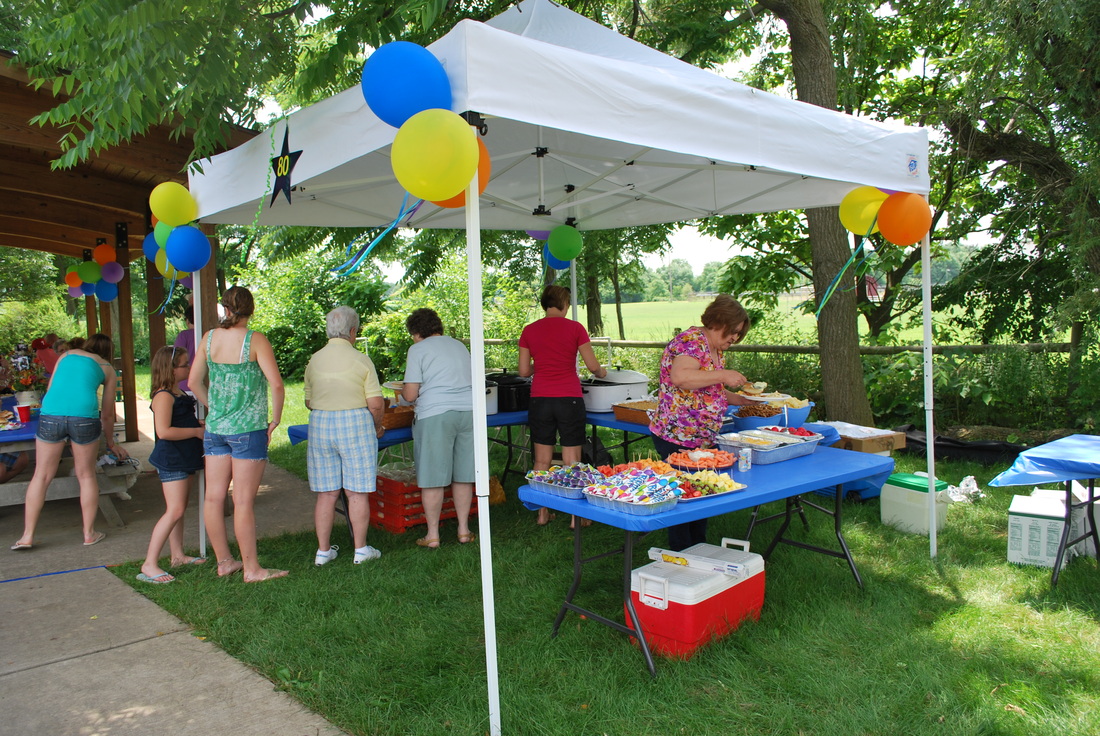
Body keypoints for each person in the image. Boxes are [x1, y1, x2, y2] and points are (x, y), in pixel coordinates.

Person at [189, 286, 287, 582]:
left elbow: (194, 382)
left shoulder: (208, 338)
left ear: (225, 309)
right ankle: (252, 569)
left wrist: (213, 406)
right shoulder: (255, 340)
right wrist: (276, 419)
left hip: (216, 428)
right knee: (243, 501)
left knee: (213, 498)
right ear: (251, 309)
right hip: (248, 429)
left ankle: (224, 562)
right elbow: (277, 385)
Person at [649, 295, 754, 551]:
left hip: (700, 439)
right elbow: (682, 378)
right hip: (677, 436)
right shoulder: (691, 341)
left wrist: (743, 399)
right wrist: (724, 374)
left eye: (739, 334)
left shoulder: (713, 348)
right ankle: (681, 556)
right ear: (719, 322)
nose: (735, 338)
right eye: (734, 332)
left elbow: (708, 388)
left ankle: (697, 551)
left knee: (700, 494)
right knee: (684, 497)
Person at [11, 333, 129, 550]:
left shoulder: (66, 356)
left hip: (52, 414)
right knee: (86, 475)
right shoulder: (107, 368)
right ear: (107, 352)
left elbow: (51, 389)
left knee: (41, 475)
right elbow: (108, 414)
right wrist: (111, 442)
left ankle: (27, 536)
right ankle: (89, 533)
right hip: (84, 416)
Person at [518, 284, 607, 526]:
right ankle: (574, 517)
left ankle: (542, 513)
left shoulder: (529, 330)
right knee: (572, 460)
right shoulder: (575, 328)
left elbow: (524, 370)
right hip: (569, 398)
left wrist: (543, 364)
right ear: (565, 304)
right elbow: (592, 365)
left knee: (541, 460)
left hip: (540, 399)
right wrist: (602, 371)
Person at [304, 306, 386, 566]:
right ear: (353, 331)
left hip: (320, 423)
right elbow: (375, 403)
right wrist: (377, 426)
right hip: (355, 422)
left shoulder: (314, 359)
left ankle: (323, 551)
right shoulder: (361, 359)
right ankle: (360, 549)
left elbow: (308, 401)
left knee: (326, 493)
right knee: (357, 492)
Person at [401, 308, 475, 549]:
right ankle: (464, 530)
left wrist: (401, 393)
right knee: (464, 475)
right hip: (469, 411)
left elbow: (411, 394)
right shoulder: (459, 345)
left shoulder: (417, 349)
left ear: (416, 332)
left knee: (432, 478)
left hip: (435, 414)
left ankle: (432, 535)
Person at [137, 346, 206, 583]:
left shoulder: (177, 392)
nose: (188, 367)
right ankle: (149, 563)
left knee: (179, 508)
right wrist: (196, 432)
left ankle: (177, 555)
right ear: (170, 368)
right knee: (174, 510)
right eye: (184, 364)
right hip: (172, 458)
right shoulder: (163, 396)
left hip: (184, 456)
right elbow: (164, 431)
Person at [174, 306, 197, 394]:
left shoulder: (184, 335)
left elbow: (176, 357)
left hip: (185, 384)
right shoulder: (208, 335)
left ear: (187, 321)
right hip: (205, 383)